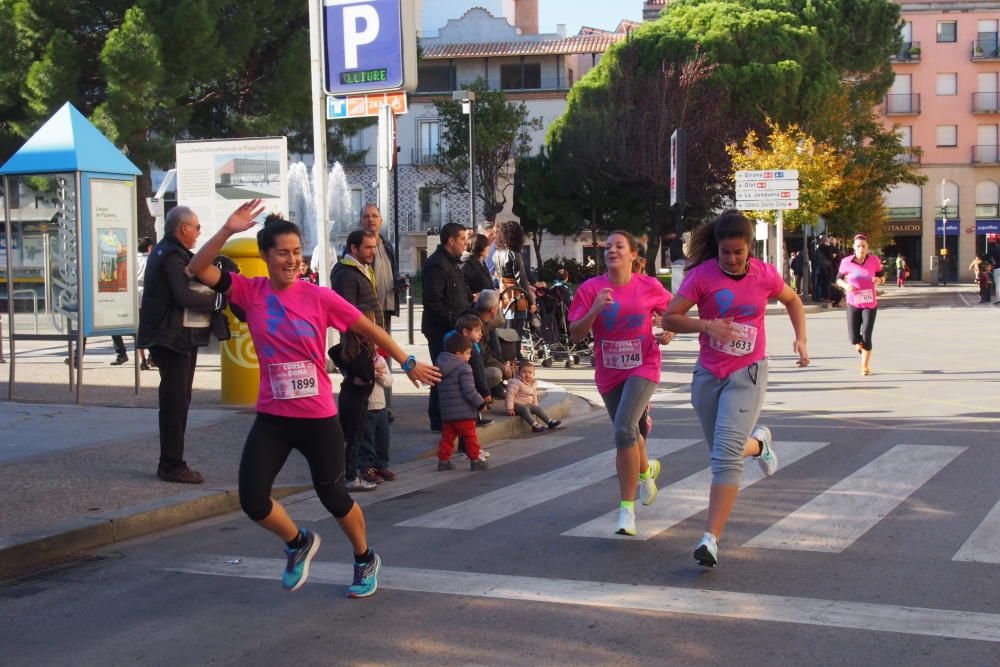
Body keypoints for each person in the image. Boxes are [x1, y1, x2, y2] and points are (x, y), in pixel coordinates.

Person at [187, 202, 439, 597]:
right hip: (272, 416)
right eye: (283, 252)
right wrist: (225, 230)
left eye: (297, 252)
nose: (292, 260)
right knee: (253, 500)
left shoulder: (319, 297)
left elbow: (369, 328)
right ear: (266, 256)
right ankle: (297, 542)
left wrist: (406, 361)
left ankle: (364, 557)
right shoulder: (250, 291)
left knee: (334, 497)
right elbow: (198, 269)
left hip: (317, 416)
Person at [662, 210, 808, 568]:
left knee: (724, 459)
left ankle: (710, 539)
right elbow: (670, 318)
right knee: (722, 450)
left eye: (738, 252)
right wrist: (707, 326)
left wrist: (801, 339)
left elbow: (792, 300)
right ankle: (758, 444)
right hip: (709, 374)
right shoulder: (701, 276)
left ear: (749, 249)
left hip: (748, 372)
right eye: (725, 252)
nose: (731, 258)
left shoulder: (764, 275)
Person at [568, 230, 674, 537]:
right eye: (608, 246)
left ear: (633, 255)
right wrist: (595, 309)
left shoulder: (648, 286)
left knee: (623, 430)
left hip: (644, 364)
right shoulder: (591, 289)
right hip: (608, 369)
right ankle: (645, 470)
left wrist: (668, 333)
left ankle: (626, 510)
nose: (611, 250)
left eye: (619, 246)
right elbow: (575, 333)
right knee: (631, 432)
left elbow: (672, 315)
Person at [137, 206, 218, 484]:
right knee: (175, 402)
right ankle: (172, 465)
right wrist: (217, 301)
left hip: (172, 337)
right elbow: (182, 295)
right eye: (196, 227)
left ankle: (172, 462)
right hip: (171, 339)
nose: (198, 232)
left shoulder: (167, 250)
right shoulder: (172, 255)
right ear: (183, 228)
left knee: (178, 400)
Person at [422, 223, 472, 431]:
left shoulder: (452, 263)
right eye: (462, 239)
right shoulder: (437, 264)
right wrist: (454, 323)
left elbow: (459, 293)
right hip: (442, 330)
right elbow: (433, 301)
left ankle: (451, 418)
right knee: (441, 373)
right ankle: (438, 419)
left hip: (455, 327)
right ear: (451, 240)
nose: (465, 243)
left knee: (449, 373)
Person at [329, 308, 380, 492]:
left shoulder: (349, 346)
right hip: (358, 399)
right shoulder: (364, 349)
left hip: (346, 395)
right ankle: (350, 476)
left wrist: (346, 370)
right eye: (371, 322)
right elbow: (364, 373)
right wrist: (367, 378)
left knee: (344, 435)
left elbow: (332, 351)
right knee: (354, 439)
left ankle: (338, 472)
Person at [435, 334, 488, 471]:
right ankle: (475, 460)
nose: (469, 356)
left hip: (448, 412)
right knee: (470, 437)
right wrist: (480, 403)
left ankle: (443, 460)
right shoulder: (464, 368)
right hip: (464, 412)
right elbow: (469, 391)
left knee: (447, 437)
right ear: (458, 354)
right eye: (468, 353)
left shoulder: (440, 366)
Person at [835, 234, 885, 376]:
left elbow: (882, 276)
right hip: (853, 302)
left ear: (867, 247)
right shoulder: (846, 262)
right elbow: (838, 279)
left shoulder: (874, 260)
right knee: (853, 339)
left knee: (867, 335)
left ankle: (865, 366)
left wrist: (879, 280)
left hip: (870, 303)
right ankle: (859, 344)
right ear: (854, 248)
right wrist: (845, 285)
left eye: (863, 246)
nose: (861, 248)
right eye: (858, 246)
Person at [447, 314, 495, 427]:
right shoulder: (471, 350)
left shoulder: (456, 344)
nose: (481, 334)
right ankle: (475, 419)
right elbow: (478, 372)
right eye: (477, 331)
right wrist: (485, 393)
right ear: (466, 332)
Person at [359, 351, 395, 483]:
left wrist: (380, 376)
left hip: (380, 406)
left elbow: (389, 381)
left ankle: (382, 465)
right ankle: (366, 468)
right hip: (365, 407)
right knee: (367, 441)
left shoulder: (379, 359)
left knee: (383, 439)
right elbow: (357, 377)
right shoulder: (357, 359)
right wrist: (373, 374)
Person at [330, 229, 380, 322]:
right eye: (368, 247)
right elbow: (347, 316)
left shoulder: (365, 267)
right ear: (354, 248)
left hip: (371, 334)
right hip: (363, 335)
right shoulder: (345, 274)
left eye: (374, 247)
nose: (373, 252)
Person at [493, 221, 536, 323]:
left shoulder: (497, 253)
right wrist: (531, 302)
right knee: (516, 328)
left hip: (503, 292)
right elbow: (522, 280)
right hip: (516, 294)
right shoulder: (514, 254)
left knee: (507, 325)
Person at [506, 360, 560, 432]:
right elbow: (510, 395)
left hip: (526, 404)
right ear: (518, 373)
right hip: (516, 405)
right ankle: (534, 425)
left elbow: (534, 395)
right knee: (525, 409)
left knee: (537, 409)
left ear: (533, 374)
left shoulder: (533, 383)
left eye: (530, 372)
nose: (527, 374)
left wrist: (535, 405)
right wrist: (510, 408)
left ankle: (549, 421)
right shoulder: (515, 382)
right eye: (524, 372)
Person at [461, 233, 494, 297]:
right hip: (476, 305)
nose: (489, 248)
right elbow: (460, 284)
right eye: (487, 246)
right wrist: (471, 296)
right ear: (480, 248)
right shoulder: (468, 264)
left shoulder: (481, 261)